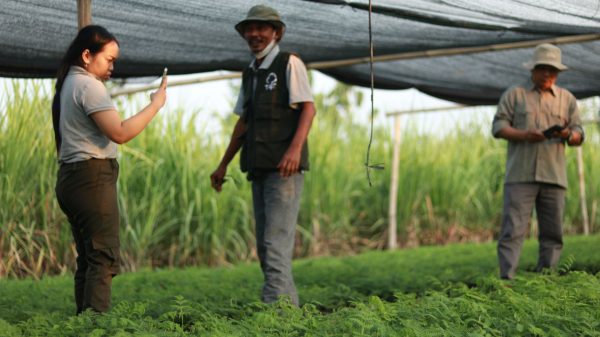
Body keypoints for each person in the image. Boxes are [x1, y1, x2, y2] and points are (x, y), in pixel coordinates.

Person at [52, 25, 167, 313]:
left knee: (89, 259)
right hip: (91, 178)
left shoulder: (69, 83)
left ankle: (83, 322)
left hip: (70, 177)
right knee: (102, 259)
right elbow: (120, 132)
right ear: (88, 55)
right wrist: (156, 105)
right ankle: (95, 327)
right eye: (109, 59)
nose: (113, 66)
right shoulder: (89, 85)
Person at [210, 5, 316, 305]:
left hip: (284, 171)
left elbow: (308, 107)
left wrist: (294, 150)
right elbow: (243, 122)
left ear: (276, 32)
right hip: (259, 169)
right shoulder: (251, 72)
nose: (254, 34)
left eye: (261, 28)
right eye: (249, 29)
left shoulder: (288, 63)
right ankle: (287, 311)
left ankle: (277, 317)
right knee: (265, 246)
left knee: (275, 243)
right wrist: (223, 164)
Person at [491, 43, 584, 280]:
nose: (548, 74)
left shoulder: (567, 99)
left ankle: (546, 282)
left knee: (553, 233)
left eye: (553, 71)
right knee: (513, 231)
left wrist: (567, 135)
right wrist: (524, 136)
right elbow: (498, 127)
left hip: (554, 176)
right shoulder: (515, 95)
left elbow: (578, 135)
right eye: (543, 69)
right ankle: (507, 282)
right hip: (520, 175)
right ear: (533, 69)